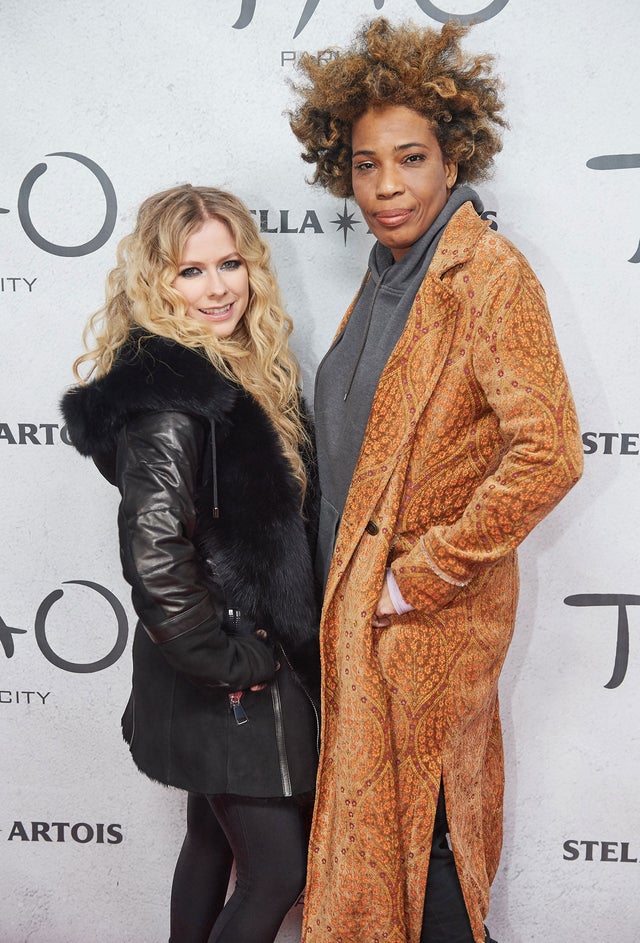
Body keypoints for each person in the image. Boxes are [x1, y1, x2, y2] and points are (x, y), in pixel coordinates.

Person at [288, 18, 583, 943]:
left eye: (410, 159)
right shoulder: (388, 274)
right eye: (366, 165)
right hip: (362, 624)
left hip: (424, 627)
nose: (385, 188)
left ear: (453, 160)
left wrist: (424, 572)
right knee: (379, 860)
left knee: (433, 848)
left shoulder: (486, 274)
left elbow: (552, 451)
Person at [61, 184, 320, 943]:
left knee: (211, 843)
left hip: (229, 660)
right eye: (190, 271)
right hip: (228, 665)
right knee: (275, 873)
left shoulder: (237, 375)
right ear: (156, 282)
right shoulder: (172, 401)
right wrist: (228, 657)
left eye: (230, 263)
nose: (218, 288)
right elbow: (154, 551)